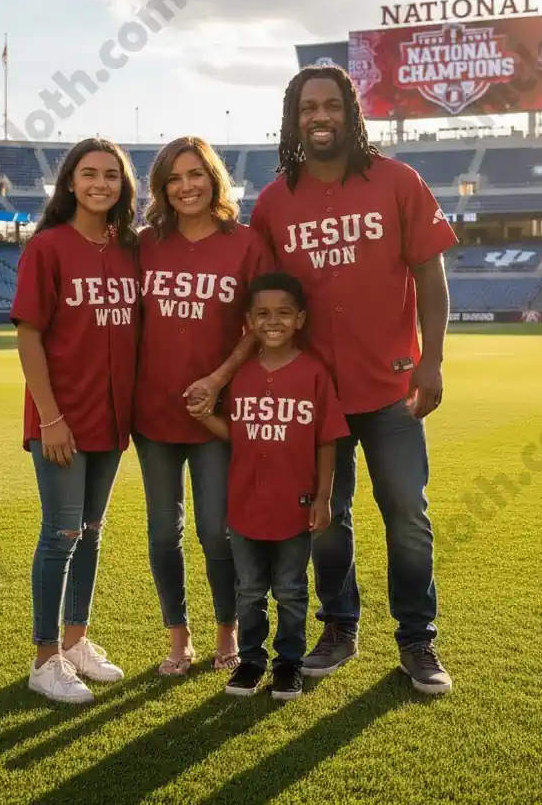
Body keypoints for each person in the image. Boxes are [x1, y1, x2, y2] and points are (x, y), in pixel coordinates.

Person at [188, 64, 458, 694]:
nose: (320, 117)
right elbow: (263, 299)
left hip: (390, 387)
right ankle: (339, 627)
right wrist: (228, 372)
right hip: (312, 396)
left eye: (331, 105)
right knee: (327, 520)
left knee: (407, 516)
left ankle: (417, 639)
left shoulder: (398, 181)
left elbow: (430, 274)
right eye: (308, 107)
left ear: (350, 112)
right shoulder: (276, 202)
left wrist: (433, 358)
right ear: (294, 118)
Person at [134, 136, 271, 675]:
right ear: (161, 188)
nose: (185, 186)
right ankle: (178, 638)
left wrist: (217, 379)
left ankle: (226, 630)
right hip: (153, 413)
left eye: (195, 174)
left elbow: (260, 325)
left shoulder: (246, 242)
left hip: (216, 413)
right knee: (161, 533)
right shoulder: (145, 243)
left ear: (214, 179)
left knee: (216, 532)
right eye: (173, 178)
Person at [11, 137, 140, 705]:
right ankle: (45, 660)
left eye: (111, 175)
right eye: (89, 173)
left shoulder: (129, 248)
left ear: (123, 186)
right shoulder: (48, 247)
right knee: (61, 534)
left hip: (110, 418)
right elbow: (29, 335)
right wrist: (50, 418)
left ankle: (75, 641)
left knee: (90, 532)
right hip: (62, 418)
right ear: (70, 182)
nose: (100, 184)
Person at [193, 272, 348, 699]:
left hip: (294, 505)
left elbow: (327, 440)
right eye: (262, 314)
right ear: (249, 321)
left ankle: (288, 664)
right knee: (249, 590)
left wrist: (323, 497)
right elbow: (237, 433)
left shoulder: (314, 374)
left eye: (283, 313)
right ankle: (251, 661)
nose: (273, 321)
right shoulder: (241, 375)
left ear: (300, 319)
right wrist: (206, 418)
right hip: (245, 504)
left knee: (291, 590)